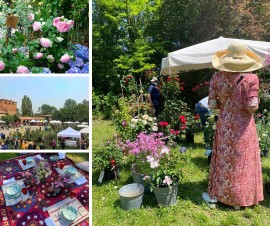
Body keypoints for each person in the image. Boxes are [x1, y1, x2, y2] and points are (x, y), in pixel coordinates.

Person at [202, 42, 264, 210]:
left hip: (225, 125)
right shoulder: (252, 78)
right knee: (242, 161)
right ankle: (240, 199)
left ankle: (224, 195)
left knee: (225, 160)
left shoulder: (217, 78)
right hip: (244, 127)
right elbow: (252, 106)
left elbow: (213, 105)